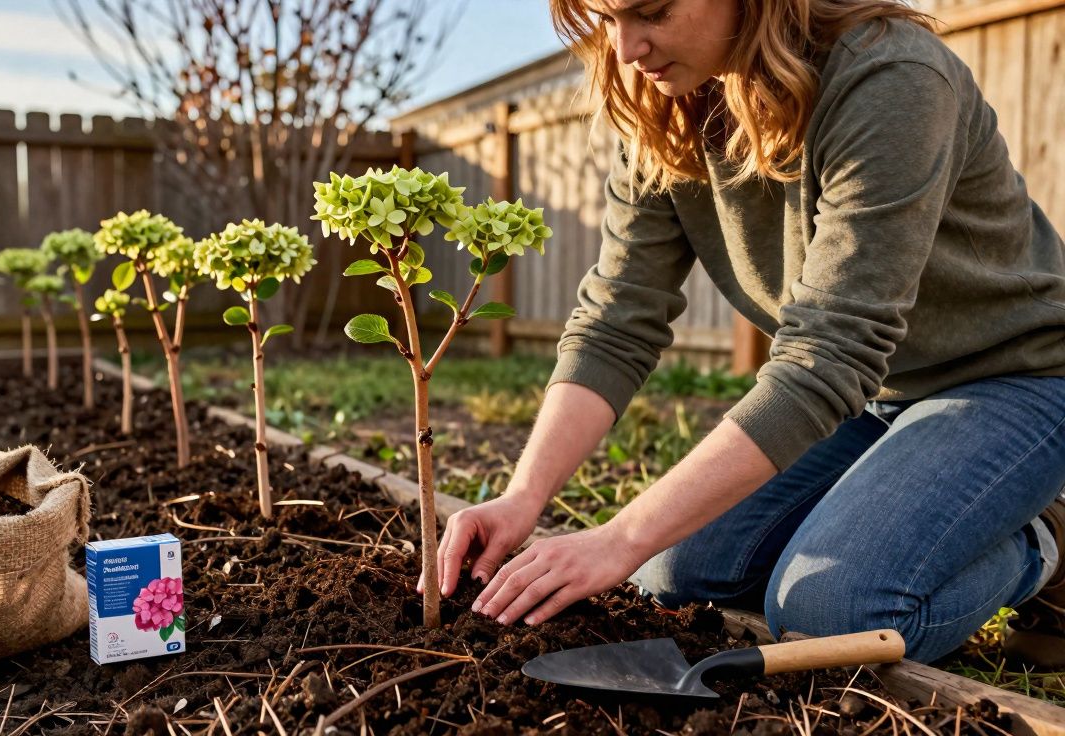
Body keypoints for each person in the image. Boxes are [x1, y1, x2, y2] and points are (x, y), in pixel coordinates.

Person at [427, 0, 1065, 667]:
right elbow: (617, 319)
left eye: (651, 12)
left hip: (1018, 379)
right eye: (607, 20)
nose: (625, 50)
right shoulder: (662, 105)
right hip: (874, 395)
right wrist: (524, 497)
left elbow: (827, 354)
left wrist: (618, 537)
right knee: (674, 572)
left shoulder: (890, 76)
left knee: (836, 616)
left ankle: (1047, 536)